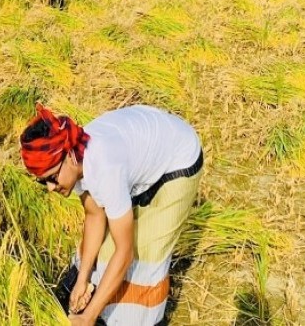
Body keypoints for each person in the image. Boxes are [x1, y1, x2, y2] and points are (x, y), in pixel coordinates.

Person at [20, 104, 205, 326]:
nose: (50, 187)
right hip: (144, 144)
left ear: (69, 156)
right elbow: (94, 216)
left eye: (52, 178)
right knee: (106, 253)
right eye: (43, 182)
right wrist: (83, 279)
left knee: (145, 256)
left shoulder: (104, 168)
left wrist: (89, 316)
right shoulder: (77, 158)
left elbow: (125, 253)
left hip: (178, 158)